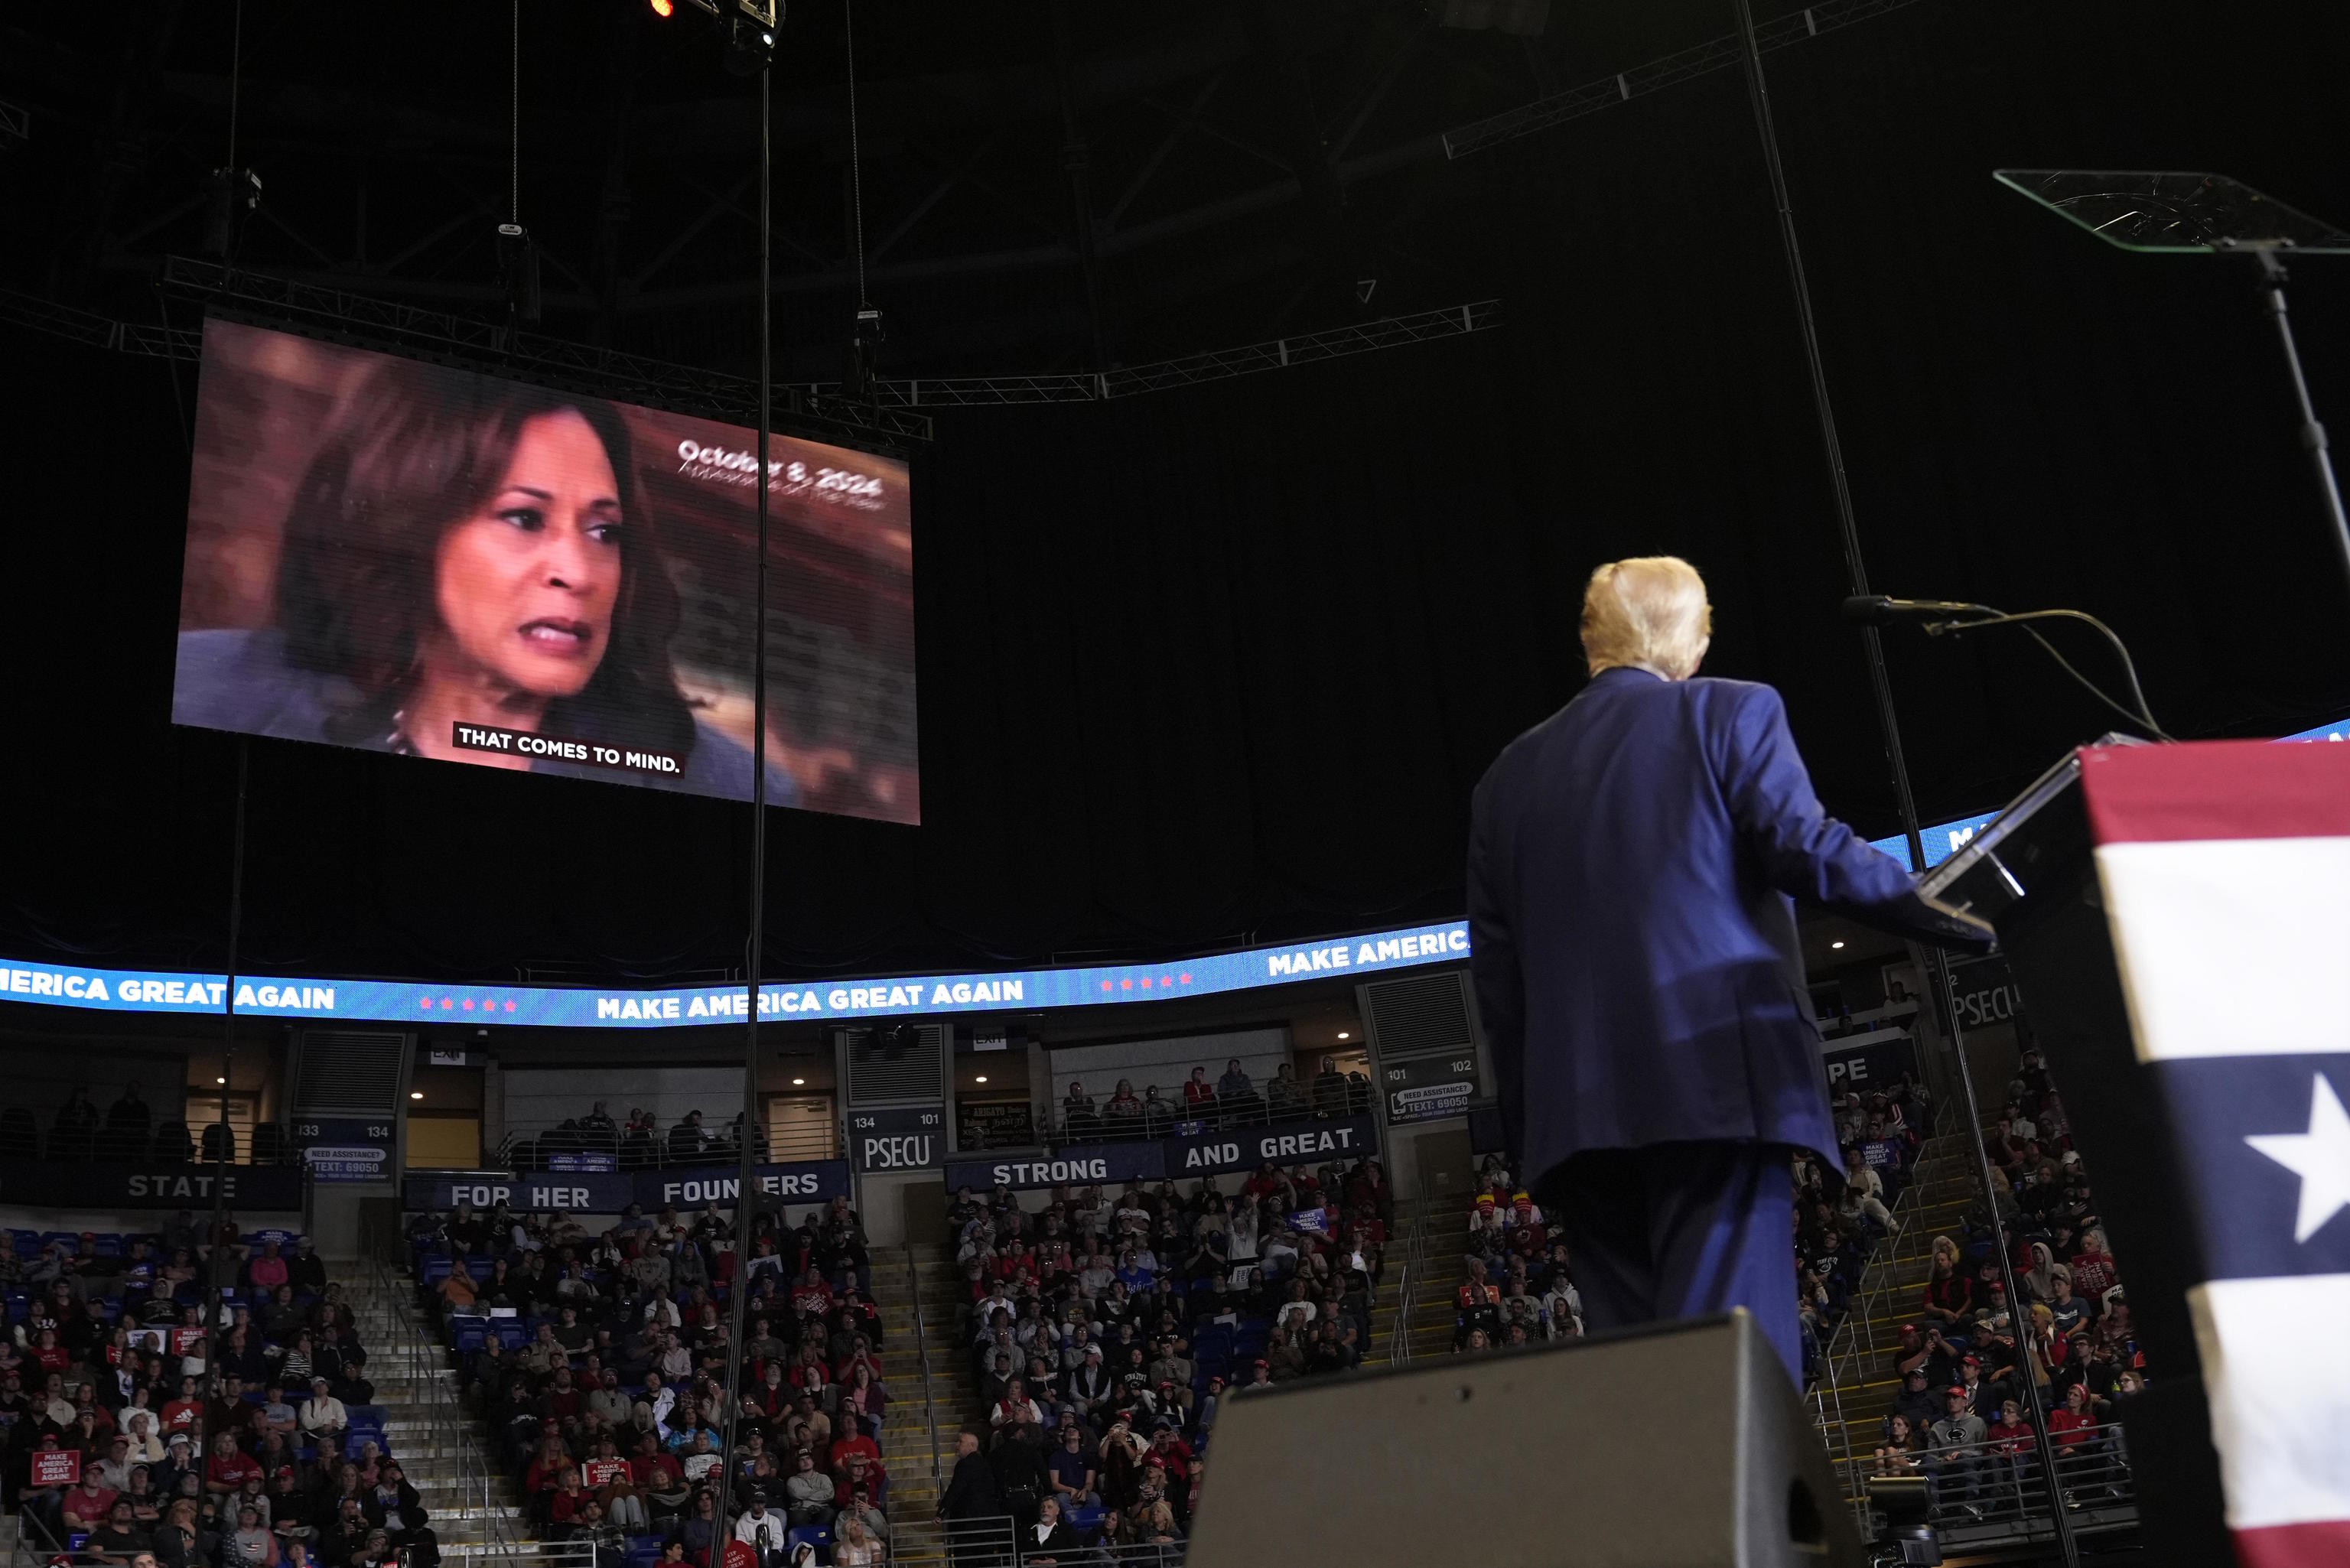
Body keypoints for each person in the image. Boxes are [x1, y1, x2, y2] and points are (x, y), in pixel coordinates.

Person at [1465, 556, 1991, 1383]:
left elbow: (1498, 983)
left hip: (1574, 1133)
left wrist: (1537, 1135)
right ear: (1695, 639)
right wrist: (1964, 911)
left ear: (1588, 638)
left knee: (1647, 1391)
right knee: (1734, 1379)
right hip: (1714, 1092)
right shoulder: (1731, 711)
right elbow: (1807, 850)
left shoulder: (1504, 779)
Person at [171, 359, 793, 803]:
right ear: (410, 526)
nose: (577, 573)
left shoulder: (733, 786)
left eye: (604, 532)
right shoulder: (203, 694)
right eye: (524, 518)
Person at [1019, 1497, 1078, 1566]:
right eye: (1042, 1507)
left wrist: (1057, 1563)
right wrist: (1029, 1563)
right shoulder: (1027, 1530)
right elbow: (1018, 1553)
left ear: (1057, 1511)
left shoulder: (1067, 1529)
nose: (1045, 1510)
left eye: (1049, 1507)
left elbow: (1075, 1555)